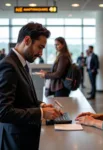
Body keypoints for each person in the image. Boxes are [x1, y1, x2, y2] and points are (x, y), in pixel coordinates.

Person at [0, 22, 62, 150]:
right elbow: (3, 111)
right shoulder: (8, 65)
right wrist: (41, 113)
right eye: (40, 47)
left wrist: (41, 105)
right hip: (15, 140)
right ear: (27, 40)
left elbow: (21, 96)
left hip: (23, 136)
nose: (40, 53)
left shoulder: (21, 63)